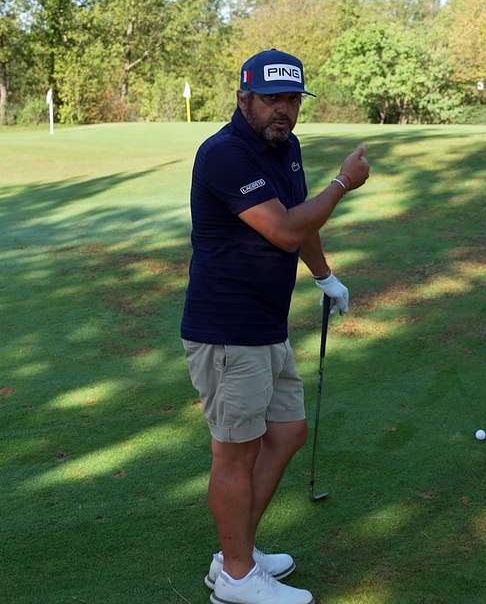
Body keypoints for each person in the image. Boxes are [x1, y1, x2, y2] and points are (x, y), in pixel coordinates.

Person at [181, 48, 371, 604]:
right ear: (244, 99)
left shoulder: (285, 149)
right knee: (235, 452)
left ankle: (234, 553)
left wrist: (324, 277)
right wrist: (342, 183)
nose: (282, 111)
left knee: (287, 433)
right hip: (226, 329)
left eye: (291, 100)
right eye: (271, 99)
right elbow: (285, 230)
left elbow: (301, 215)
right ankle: (236, 579)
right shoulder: (223, 155)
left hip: (266, 324)